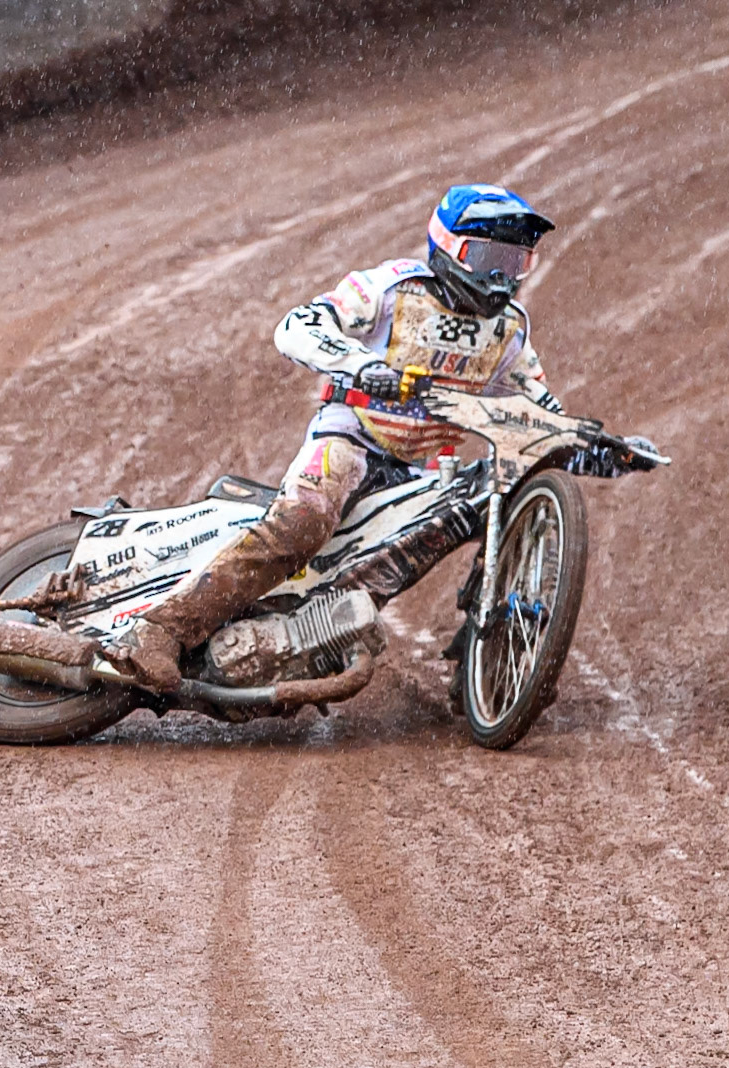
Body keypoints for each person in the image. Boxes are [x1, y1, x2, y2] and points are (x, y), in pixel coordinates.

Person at [120, 183, 563, 689]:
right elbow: (296, 325)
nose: (501, 278)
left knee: (468, 511)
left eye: (515, 262)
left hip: (421, 474)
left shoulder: (509, 330)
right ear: (447, 247)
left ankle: (484, 660)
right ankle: (159, 631)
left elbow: (541, 407)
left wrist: (591, 442)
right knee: (303, 523)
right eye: (487, 258)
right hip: (351, 437)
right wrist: (360, 364)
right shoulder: (391, 289)